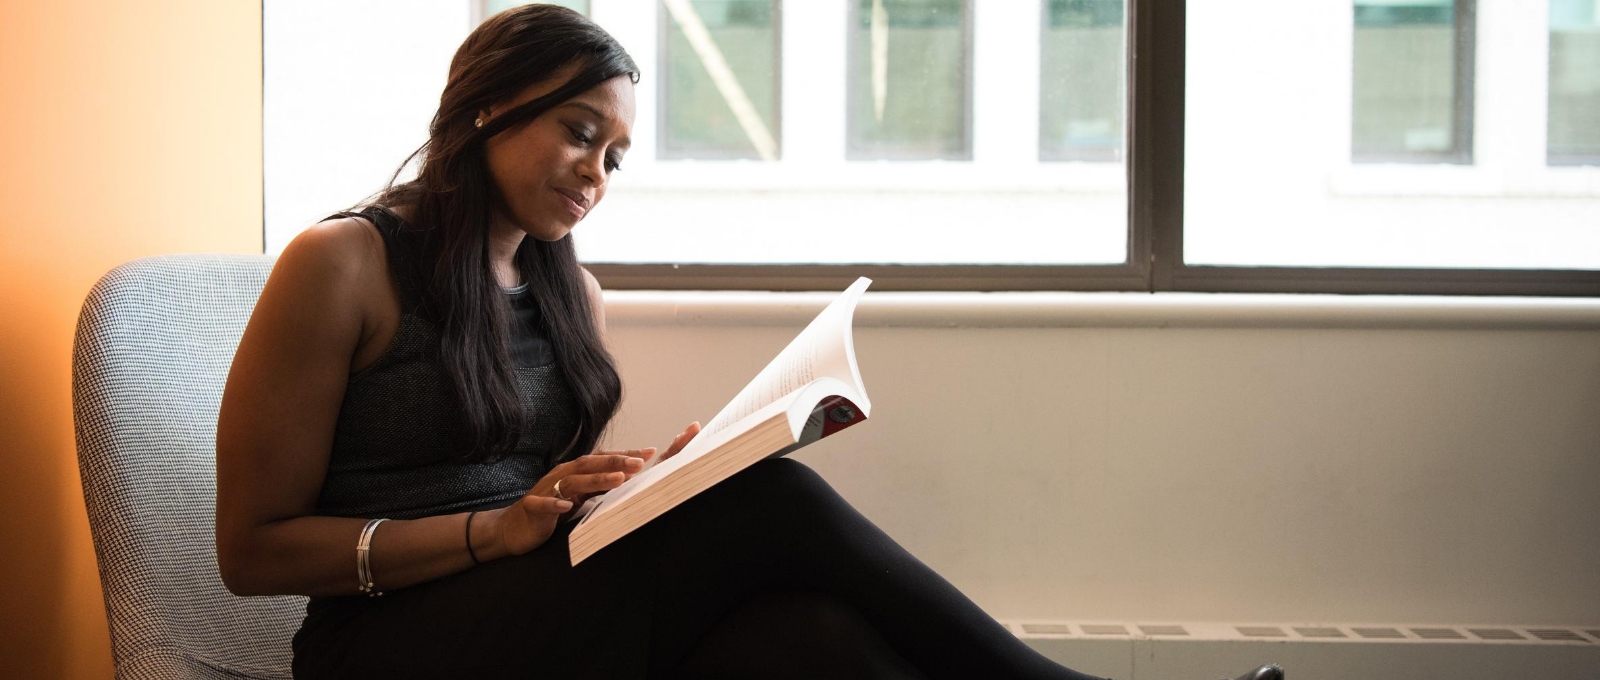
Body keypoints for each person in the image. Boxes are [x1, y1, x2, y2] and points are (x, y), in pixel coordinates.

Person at [215, 5, 1285, 679]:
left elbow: (538, 495)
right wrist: (488, 530)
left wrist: (625, 486)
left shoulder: (565, 288)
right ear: (488, 107)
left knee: (811, 640)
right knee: (766, 502)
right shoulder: (344, 263)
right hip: (387, 642)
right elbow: (251, 548)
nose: (596, 170)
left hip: (527, 606)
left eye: (618, 154)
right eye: (579, 131)